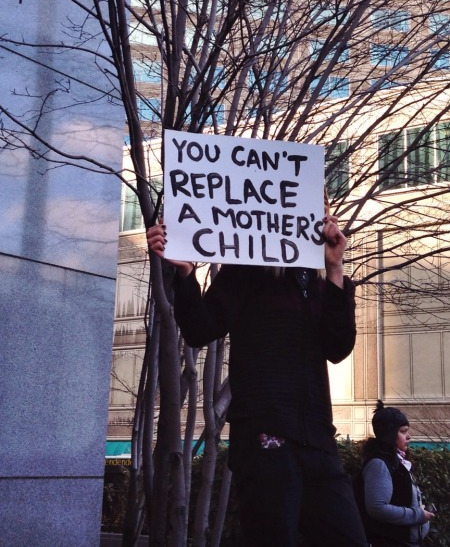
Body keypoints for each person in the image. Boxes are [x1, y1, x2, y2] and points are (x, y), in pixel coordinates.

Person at [147, 210, 369, 547]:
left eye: (323, 209)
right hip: (266, 442)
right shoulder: (246, 272)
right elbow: (199, 328)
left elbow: (338, 347)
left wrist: (336, 268)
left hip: (319, 442)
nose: (322, 217)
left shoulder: (319, 284)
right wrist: (186, 274)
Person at [360, 400, 434, 547]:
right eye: (403, 431)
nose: (409, 437)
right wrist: (418, 515)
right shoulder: (379, 464)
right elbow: (377, 508)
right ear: (390, 434)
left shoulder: (398, 462)